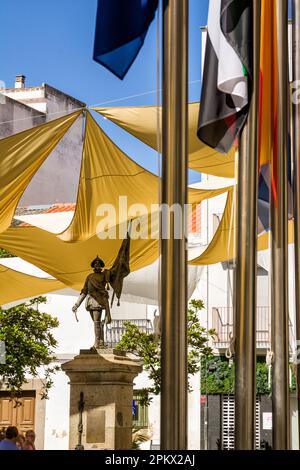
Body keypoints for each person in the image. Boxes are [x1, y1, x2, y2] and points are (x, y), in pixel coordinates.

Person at [72, 256, 112, 349]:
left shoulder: (103, 276)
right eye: (95, 265)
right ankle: (100, 342)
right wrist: (76, 304)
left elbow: (111, 277)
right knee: (96, 322)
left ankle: (97, 343)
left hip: (99, 301)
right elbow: (84, 291)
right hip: (91, 301)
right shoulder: (89, 277)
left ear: (101, 266)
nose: (97, 266)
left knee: (96, 322)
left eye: (98, 265)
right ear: (93, 266)